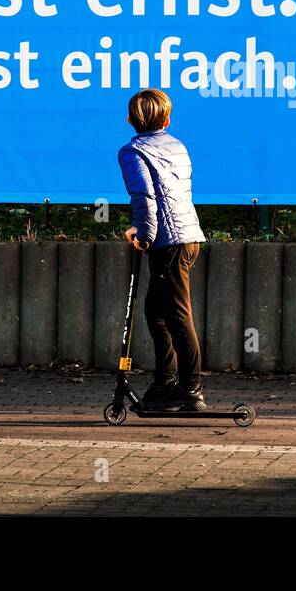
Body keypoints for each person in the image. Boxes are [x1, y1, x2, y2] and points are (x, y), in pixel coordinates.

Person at [117, 88, 208, 411]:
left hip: (167, 243)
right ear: (167, 119)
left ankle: (190, 390)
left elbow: (144, 197)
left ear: (130, 119)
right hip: (188, 238)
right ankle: (164, 385)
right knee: (156, 312)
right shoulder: (177, 146)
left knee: (177, 315)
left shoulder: (132, 152)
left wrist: (143, 234)